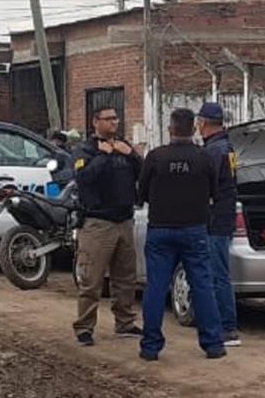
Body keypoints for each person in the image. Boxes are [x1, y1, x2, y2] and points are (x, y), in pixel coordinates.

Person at [136, 107, 226, 360]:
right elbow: (215, 194)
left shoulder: (155, 157)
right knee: (202, 285)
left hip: (161, 230)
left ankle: (150, 347)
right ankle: (213, 344)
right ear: (193, 128)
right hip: (195, 229)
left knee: (155, 287)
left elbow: (140, 195)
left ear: (170, 129)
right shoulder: (205, 157)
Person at [71, 106, 143, 346]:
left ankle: (125, 322)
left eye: (116, 118)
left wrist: (131, 154)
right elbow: (83, 179)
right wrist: (103, 156)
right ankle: (84, 327)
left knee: (125, 278)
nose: (114, 122)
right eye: (109, 119)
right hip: (97, 222)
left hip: (124, 220)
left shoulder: (123, 146)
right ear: (95, 122)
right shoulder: (85, 150)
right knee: (91, 278)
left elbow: (143, 172)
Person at [197, 102, 240, 347]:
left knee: (218, 275)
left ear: (202, 123)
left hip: (215, 220)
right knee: (219, 273)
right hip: (223, 217)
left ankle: (227, 327)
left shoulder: (214, 151)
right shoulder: (227, 147)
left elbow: (207, 185)